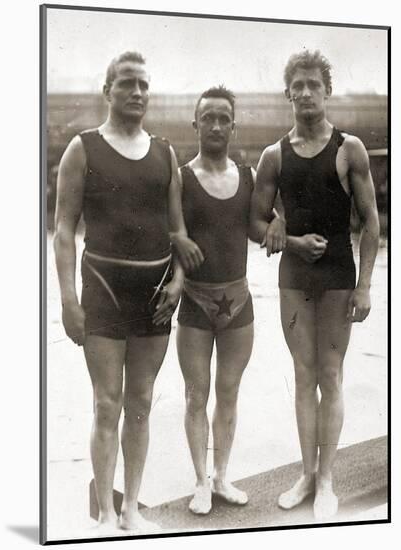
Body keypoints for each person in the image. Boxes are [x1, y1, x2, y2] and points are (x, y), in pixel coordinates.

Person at [53, 51, 202, 533]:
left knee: (140, 402)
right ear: (108, 91)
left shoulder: (164, 153)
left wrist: (179, 281)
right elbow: (62, 231)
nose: (137, 92)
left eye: (143, 84)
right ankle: (106, 513)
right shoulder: (83, 148)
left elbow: (178, 230)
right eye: (127, 84)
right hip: (102, 288)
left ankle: (133, 506)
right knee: (106, 404)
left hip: (155, 292)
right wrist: (67, 301)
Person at [250, 50, 379, 520]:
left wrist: (366, 285)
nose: (305, 92)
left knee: (331, 375)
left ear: (327, 91)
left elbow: (370, 224)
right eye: (297, 85)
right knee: (304, 377)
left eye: (313, 84)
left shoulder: (350, 149)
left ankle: (327, 480)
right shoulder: (272, 155)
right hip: (295, 280)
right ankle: (307, 474)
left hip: (339, 277)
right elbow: (254, 221)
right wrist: (281, 233)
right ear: (287, 93)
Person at [174, 86, 282, 515]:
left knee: (230, 392)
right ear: (195, 123)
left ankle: (222, 476)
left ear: (234, 127)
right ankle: (200, 482)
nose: (216, 125)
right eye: (208, 117)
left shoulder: (249, 176)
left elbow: (262, 223)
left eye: (224, 118)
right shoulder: (180, 177)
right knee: (195, 395)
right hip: (196, 303)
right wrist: (176, 243)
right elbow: (168, 231)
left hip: (239, 301)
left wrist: (280, 222)